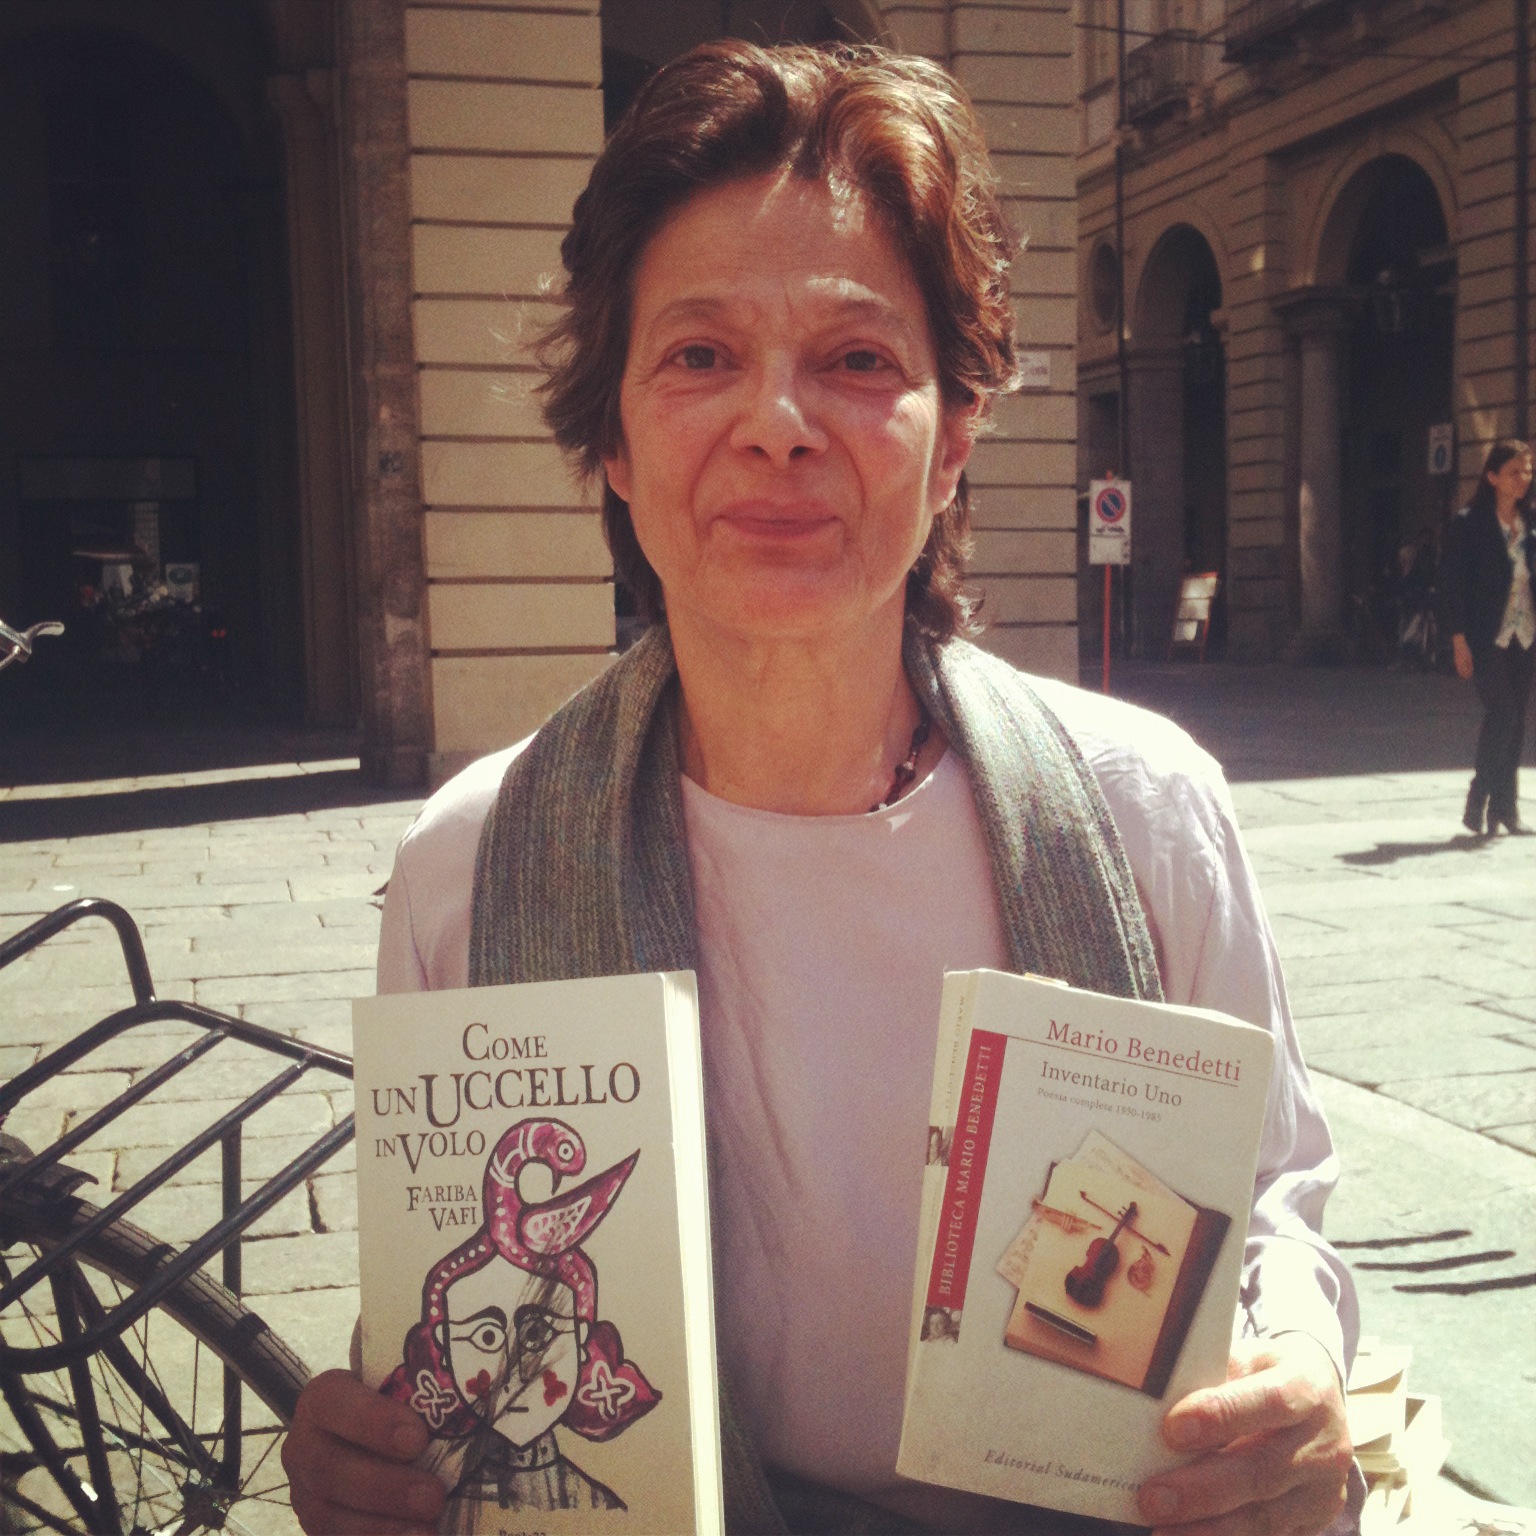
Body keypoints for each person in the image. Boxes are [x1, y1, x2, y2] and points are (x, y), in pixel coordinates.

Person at [283, 41, 1358, 1536]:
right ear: (612, 439)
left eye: (857, 359)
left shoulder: (1144, 813)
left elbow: (1275, 1203)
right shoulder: (469, 866)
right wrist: (372, 1452)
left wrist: (1297, 1375)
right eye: (699, 356)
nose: (777, 422)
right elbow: (445, 1306)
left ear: (955, 433)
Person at [1442, 439, 1536, 836]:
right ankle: (1479, 795)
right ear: (1493, 477)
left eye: (1527, 470)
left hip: (1524, 636)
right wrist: (1458, 640)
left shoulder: (1531, 522)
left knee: (1516, 722)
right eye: (1515, 472)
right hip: (1485, 637)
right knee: (1504, 713)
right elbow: (1452, 585)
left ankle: (1505, 809)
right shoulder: (1470, 523)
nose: (1524, 478)